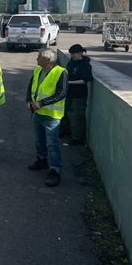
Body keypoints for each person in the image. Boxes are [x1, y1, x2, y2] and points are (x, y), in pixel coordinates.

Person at [27, 48, 68, 187]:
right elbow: (31, 86)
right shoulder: (38, 70)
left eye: (39, 57)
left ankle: (55, 170)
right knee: (39, 140)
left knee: (53, 143)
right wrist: (29, 100)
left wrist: (42, 103)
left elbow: (61, 93)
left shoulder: (61, 72)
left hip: (52, 116)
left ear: (48, 60)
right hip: (37, 113)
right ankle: (42, 160)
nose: (36, 59)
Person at [64, 44, 93, 145]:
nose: (73, 56)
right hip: (69, 92)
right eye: (71, 54)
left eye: (74, 54)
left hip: (79, 94)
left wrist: (70, 82)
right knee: (68, 113)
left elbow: (86, 80)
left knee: (78, 116)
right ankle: (68, 132)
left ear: (80, 53)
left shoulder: (85, 65)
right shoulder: (72, 62)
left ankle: (78, 138)